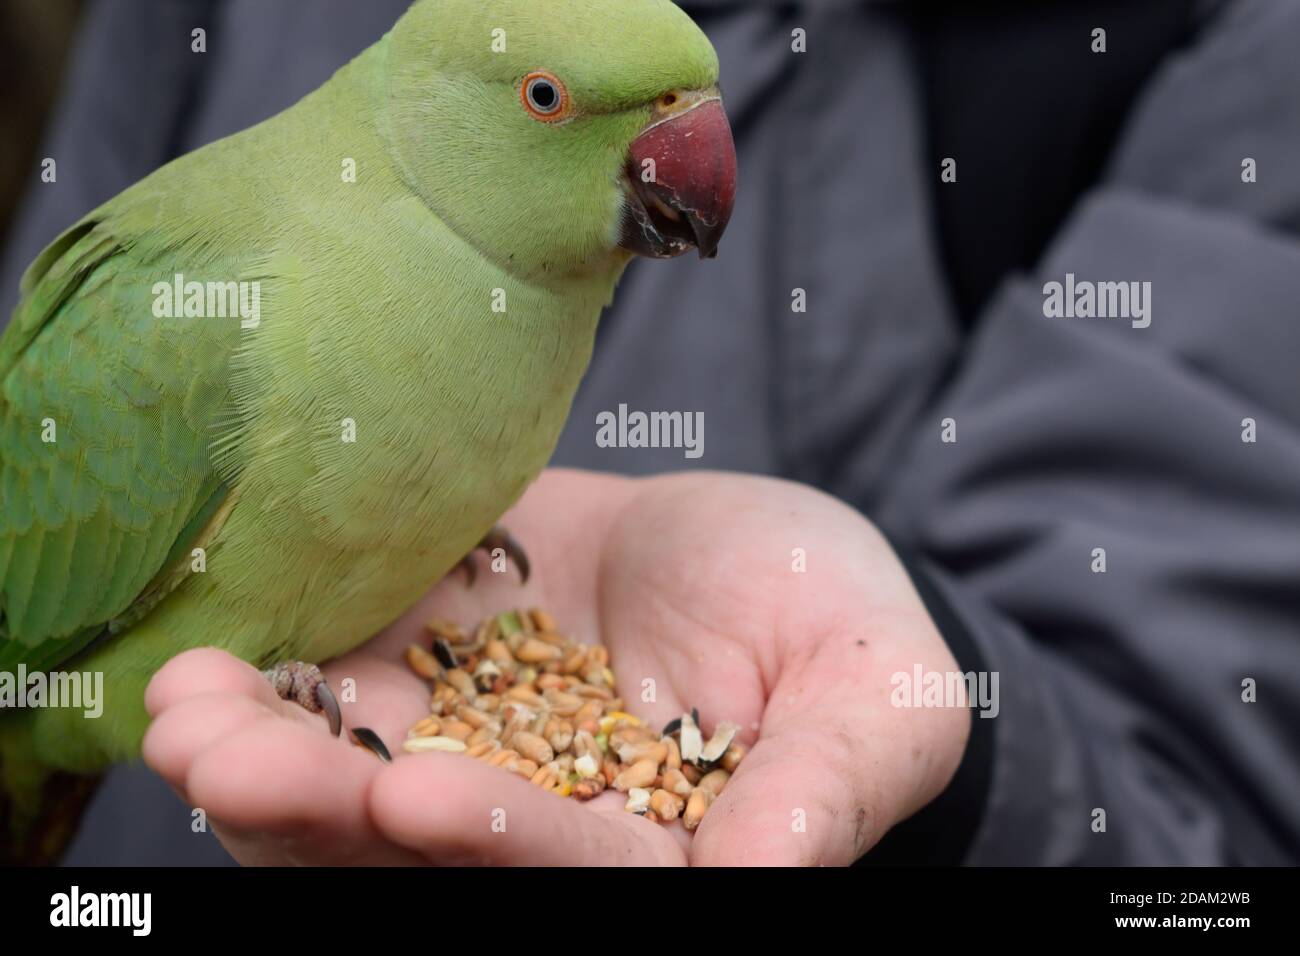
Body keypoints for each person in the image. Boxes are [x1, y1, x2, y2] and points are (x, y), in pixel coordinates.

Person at [4, 0, 1298, 865]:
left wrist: (942, 733)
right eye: (557, 102)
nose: (673, 155)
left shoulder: (1212, 46)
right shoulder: (199, 307)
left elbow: (1205, 811)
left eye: (678, 112)